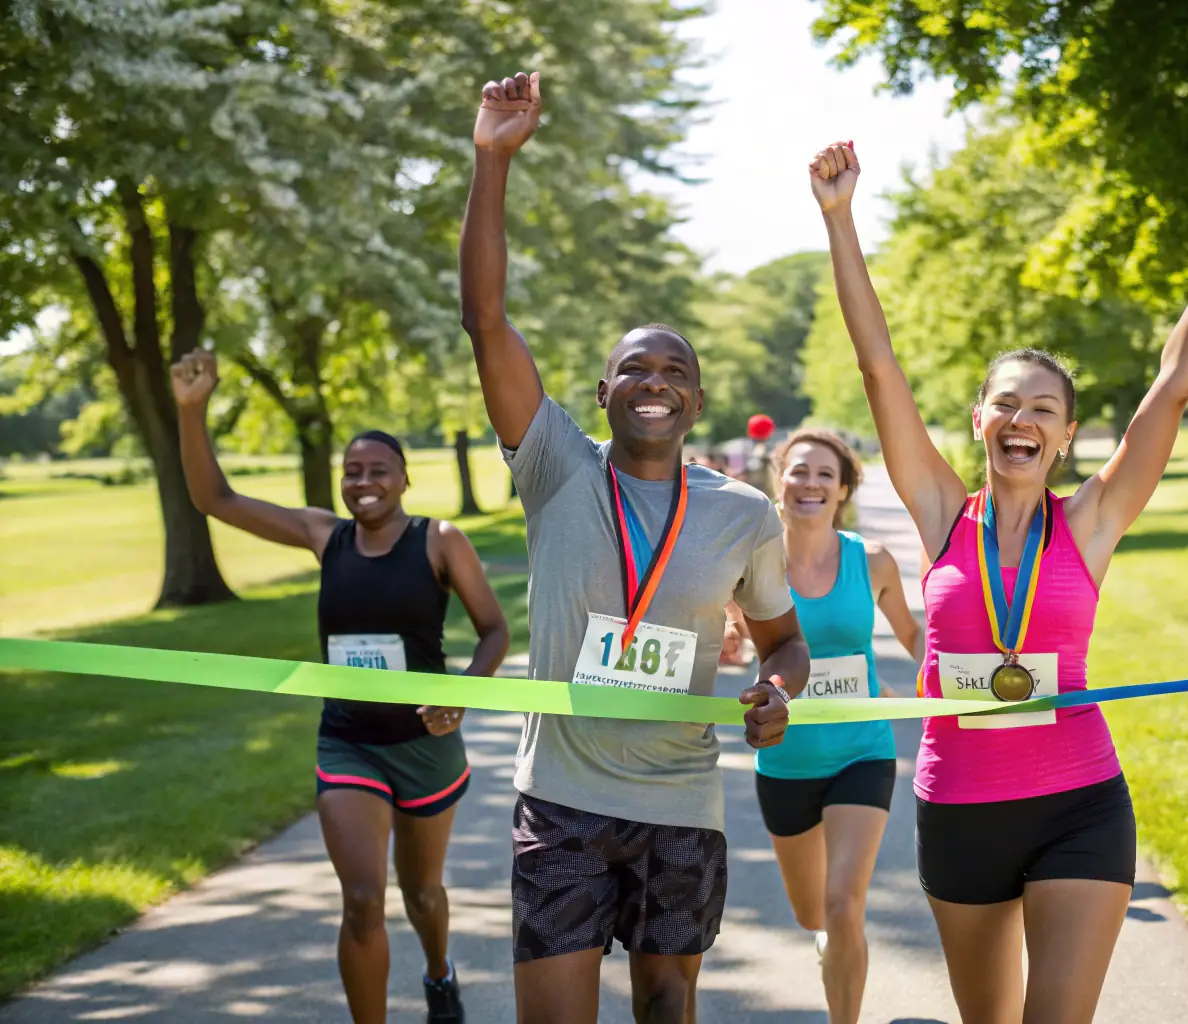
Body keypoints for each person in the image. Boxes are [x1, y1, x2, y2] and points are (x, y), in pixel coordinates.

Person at [808, 140, 1188, 1023]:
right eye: (1006, 403)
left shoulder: (1088, 523)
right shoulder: (943, 513)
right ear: (979, 419)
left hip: (1078, 806)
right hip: (961, 809)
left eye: (1042, 409)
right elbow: (878, 366)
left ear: (1064, 437)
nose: (1021, 418)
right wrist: (839, 220)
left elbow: (1169, 392)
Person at [459, 70, 810, 1024]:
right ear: (603, 389)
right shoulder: (559, 468)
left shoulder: (742, 511)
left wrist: (776, 692)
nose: (652, 381)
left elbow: (783, 642)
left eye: (673, 371)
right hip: (563, 798)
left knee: (666, 1005)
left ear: (696, 400)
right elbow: (484, 320)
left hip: (681, 797)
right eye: (633, 369)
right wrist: (490, 160)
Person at [172, 349, 510, 1024]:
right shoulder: (323, 536)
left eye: (376, 470)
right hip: (349, 743)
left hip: (424, 743)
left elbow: (494, 630)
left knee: (421, 895)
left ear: (404, 480)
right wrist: (192, 410)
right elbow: (215, 499)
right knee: (361, 900)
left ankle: (439, 976)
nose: (362, 482)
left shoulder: (439, 540)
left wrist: (464, 692)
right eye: (351, 472)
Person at [752, 428, 923, 1024]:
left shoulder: (870, 560)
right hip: (785, 760)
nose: (810, 483)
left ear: (844, 488)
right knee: (813, 916)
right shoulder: (753, 559)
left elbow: (916, 637)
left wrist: (954, 680)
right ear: (780, 478)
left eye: (826, 474)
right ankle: (829, 944)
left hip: (863, 751)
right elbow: (716, 630)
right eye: (799, 470)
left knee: (844, 904)